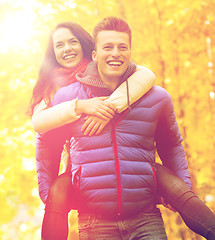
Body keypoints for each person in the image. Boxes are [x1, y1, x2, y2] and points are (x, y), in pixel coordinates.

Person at [36, 17, 215, 239]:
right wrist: (47, 193)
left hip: (146, 219)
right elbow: (48, 146)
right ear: (94, 54)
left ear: (131, 52)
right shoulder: (67, 96)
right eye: (107, 47)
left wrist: (181, 189)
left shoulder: (157, 97)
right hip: (94, 221)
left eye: (122, 47)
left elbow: (171, 146)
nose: (115, 53)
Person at [29, 21, 156, 240]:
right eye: (59, 45)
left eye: (72, 42)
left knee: (168, 183)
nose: (67, 48)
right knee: (56, 195)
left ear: (87, 46)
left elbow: (146, 75)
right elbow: (41, 131)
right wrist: (80, 106)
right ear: (53, 52)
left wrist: (108, 108)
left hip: (128, 168)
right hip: (83, 169)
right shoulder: (52, 88)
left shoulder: (107, 69)